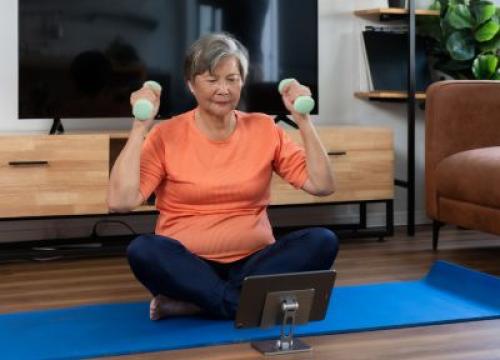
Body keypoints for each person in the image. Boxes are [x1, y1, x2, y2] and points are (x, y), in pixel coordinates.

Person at [107, 32, 339, 321]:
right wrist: (140, 127)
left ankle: (201, 303)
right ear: (191, 84)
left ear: (242, 82)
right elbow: (120, 201)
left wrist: (303, 120)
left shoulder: (264, 128)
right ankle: (241, 301)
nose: (224, 89)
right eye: (212, 79)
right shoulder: (165, 134)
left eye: (232, 79)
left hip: (255, 263)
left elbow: (322, 185)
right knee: (143, 250)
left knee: (323, 241)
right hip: (188, 266)